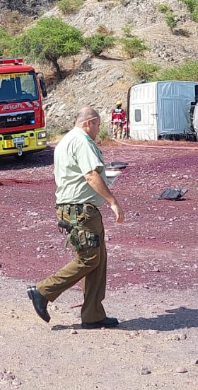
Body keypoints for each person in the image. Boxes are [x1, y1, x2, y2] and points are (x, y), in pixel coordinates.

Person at [27, 106, 125, 329]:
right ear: (89, 122)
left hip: (80, 209)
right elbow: (90, 175)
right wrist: (112, 201)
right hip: (80, 210)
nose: (98, 130)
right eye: (97, 125)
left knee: (98, 259)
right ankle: (43, 291)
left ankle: (93, 314)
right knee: (89, 258)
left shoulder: (66, 141)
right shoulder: (81, 141)